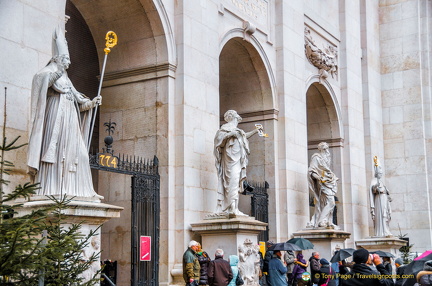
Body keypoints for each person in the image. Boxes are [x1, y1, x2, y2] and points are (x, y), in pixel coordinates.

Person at [27, 26, 102, 200]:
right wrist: (57, 71)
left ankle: (81, 189)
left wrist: (90, 103)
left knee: (79, 153)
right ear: (57, 58)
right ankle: (51, 186)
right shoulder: (48, 73)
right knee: (56, 152)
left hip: (70, 118)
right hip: (55, 117)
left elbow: (78, 100)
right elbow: (41, 83)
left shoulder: (66, 78)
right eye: (66, 59)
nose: (68, 63)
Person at [213, 110, 262, 215]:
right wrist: (231, 134)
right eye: (236, 115)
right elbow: (218, 141)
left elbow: (244, 136)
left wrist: (255, 131)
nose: (238, 116)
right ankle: (231, 208)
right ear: (233, 116)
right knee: (231, 182)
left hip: (237, 160)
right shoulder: (225, 129)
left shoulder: (238, 130)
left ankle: (234, 208)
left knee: (236, 182)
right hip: (230, 160)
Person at [307, 142, 339, 228]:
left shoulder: (327, 159)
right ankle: (321, 221)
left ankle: (327, 221)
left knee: (326, 202)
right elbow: (311, 170)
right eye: (325, 149)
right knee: (331, 202)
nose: (327, 151)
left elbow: (327, 171)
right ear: (320, 149)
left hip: (329, 182)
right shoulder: (316, 158)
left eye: (327, 148)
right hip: (322, 183)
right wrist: (319, 178)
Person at [370, 156, 392, 237]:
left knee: (386, 214)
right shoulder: (374, 181)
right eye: (380, 173)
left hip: (384, 199)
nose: (381, 174)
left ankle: (385, 230)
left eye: (381, 173)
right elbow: (373, 189)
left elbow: (386, 191)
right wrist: (376, 188)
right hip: (379, 200)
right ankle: (381, 232)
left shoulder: (381, 181)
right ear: (376, 173)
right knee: (382, 214)